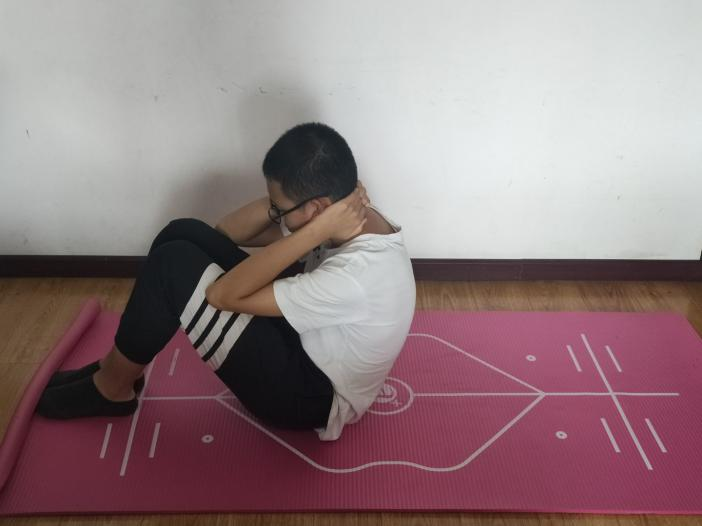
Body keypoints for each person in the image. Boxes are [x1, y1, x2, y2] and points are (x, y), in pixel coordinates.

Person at [36, 121, 416, 441]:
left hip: (309, 396)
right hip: (311, 334)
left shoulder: (355, 274)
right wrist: (305, 221)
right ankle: (118, 369)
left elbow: (222, 295)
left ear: (318, 208)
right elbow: (226, 231)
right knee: (182, 233)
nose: (275, 214)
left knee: (172, 266)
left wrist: (313, 232)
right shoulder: (348, 216)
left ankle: (111, 389)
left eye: (280, 208)